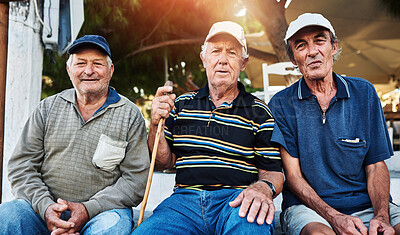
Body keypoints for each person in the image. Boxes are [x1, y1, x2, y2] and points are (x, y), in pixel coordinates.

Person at [133, 21, 284, 235]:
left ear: (243, 63)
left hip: (236, 201)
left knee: (250, 229)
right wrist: (156, 123)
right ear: (204, 59)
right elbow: (162, 162)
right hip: (184, 204)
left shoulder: (259, 112)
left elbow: (272, 173)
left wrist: (262, 188)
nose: (222, 60)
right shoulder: (181, 104)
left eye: (232, 53)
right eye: (215, 51)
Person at [0, 35, 150, 235]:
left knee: (113, 229)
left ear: (110, 71)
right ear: (69, 70)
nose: (89, 71)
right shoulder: (47, 108)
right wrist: (46, 207)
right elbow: (21, 166)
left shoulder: (130, 115)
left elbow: (135, 181)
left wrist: (88, 209)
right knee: (8, 215)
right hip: (42, 211)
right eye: (81, 63)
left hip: (100, 214)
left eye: (97, 63)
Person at [268, 13, 400, 235]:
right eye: (301, 45)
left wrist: (381, 216)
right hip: (310, 209)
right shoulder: (282, 104)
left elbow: (376, 165)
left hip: (369, 205)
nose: (312, 51)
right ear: (293, 59)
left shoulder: (364, 92)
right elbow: (293, 177)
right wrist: (334, 217)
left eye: (320, 40)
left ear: (334, 47)